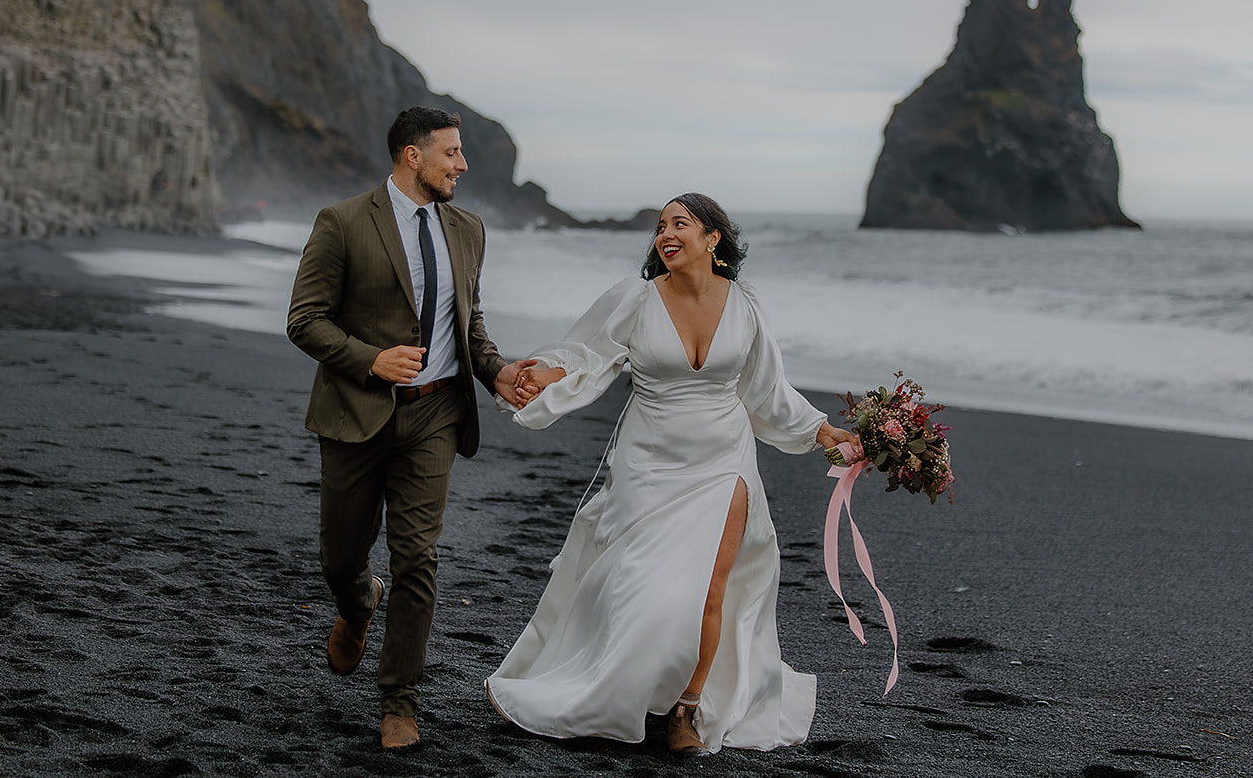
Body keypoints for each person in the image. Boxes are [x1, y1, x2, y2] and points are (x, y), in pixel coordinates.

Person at [485, 193, 856, 756]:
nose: (666, 234)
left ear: (714, 239)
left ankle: (686, 709)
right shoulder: (636, 298)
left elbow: (766, 391)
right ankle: (611, 686)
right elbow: (587, 354)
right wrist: (546, 372)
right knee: (644, 588)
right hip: (650, 465)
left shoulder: (746, 304)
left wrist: (822, 432)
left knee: (711, 591)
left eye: (680, 223)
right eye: (660, 226)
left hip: (725, 462)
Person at [287, 106, 536, 750]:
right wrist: (370, 360)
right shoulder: (342, 223)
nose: (462, 164)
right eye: (451, 152)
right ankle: (354, 605)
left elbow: (468, 324)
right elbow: (305, 319)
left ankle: (399, 699)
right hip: (357, 411)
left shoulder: (469, 229)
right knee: (340, 556)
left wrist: (497, 373)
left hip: (436, 414)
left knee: (416, 556)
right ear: (411, 156)